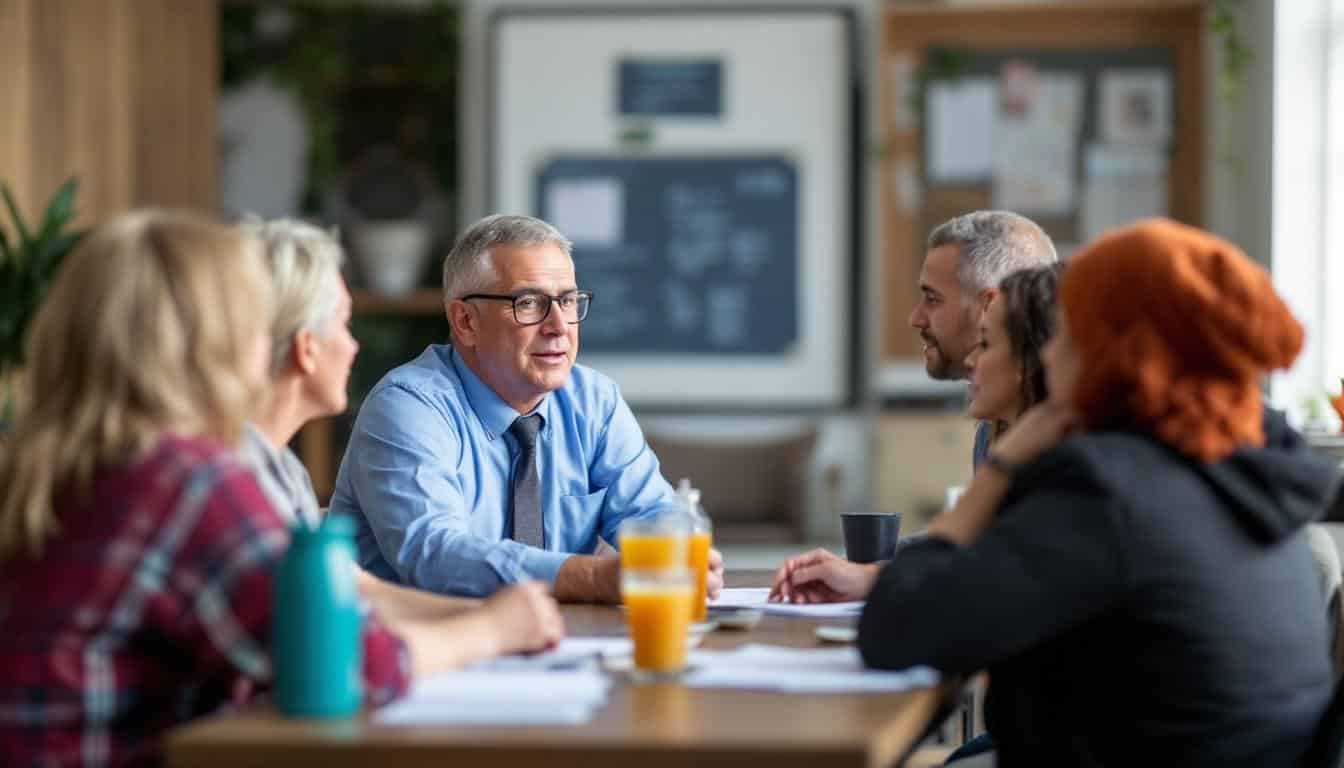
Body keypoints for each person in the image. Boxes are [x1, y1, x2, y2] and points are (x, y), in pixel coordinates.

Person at [0, 211, 561, 767]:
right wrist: (492, 629)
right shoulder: (186, 480)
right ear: (215, 338)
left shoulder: (50, 461)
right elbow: (343, 666)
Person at [800, 219, 1337, 764]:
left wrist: (1001, 468)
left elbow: (895, 629)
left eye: (1066, 334)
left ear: (1111, 349)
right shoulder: (1245, 479)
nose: (1048, 356)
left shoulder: (1109, 488)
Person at [329, 214, 725, 602]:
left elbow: (654, 515)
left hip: (557, 649)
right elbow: (434, 554)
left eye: (568, 301)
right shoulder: (406, 407)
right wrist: (594, 577)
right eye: (530, 302)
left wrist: (682, 555)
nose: (558, 326)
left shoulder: (595, 402)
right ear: (465, 321)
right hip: (414, 651)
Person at [239, 216, 564, 634]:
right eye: (343, 324)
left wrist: (499, 617)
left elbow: (358, 594)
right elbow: (335, 641)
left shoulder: (282, 469)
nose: (354, 345)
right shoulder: (234, 476)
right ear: (306, 349)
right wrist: (492, 628)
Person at [909, 210, 1057, 463]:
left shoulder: (1067, 448)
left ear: (990, 305)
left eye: (932, 299)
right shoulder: (994, 430)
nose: (916, 319)